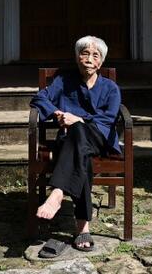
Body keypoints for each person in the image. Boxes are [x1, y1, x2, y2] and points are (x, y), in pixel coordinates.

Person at [30, 35, 120, 255]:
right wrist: (57, 113)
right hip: (71, 142)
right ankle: (83, 227)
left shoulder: (110, 87)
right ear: (77, 58)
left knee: (79, 131)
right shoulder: (64, 81)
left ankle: (58, 190)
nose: (89, 59)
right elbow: (39, 99)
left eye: (95, 55)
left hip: (98, 138)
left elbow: (108, 119)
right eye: (85, 53)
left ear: (101, 62)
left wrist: (78, 120)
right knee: (83, 157)